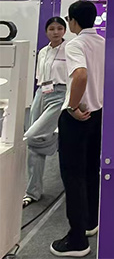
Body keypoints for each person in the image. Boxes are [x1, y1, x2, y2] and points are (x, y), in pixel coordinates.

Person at [51, 1, 105, 258]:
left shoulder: (75, 44)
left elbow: (81, 75)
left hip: (78, 117)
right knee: (91, 170)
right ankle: (90, 222)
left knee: (72, 176)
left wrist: (72, 107)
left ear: (73, 21)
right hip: (98, 114)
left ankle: (77, 240)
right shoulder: (103, 43)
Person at [23, 17, 68, 207]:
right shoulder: (43, 51)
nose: (55, 32)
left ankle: (56, 143)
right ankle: (32, 192)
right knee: (33, 146)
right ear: (46, 31)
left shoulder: (70, 49)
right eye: (51, 29)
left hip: (60, 94)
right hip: (41, 93)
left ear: (64, 30)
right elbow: (40, 77)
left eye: (59, 28)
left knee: (32, 136)